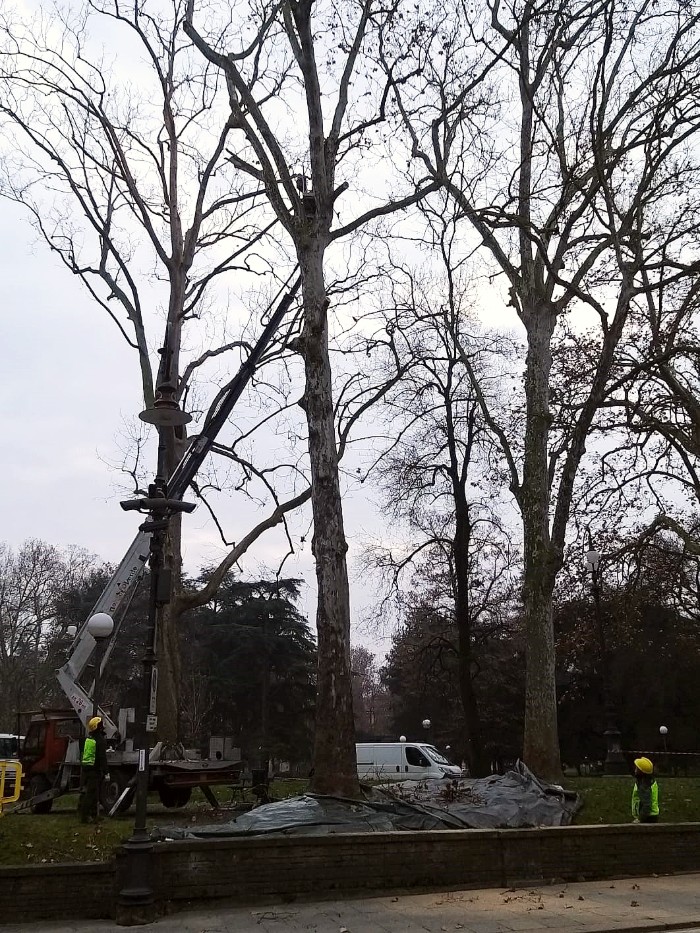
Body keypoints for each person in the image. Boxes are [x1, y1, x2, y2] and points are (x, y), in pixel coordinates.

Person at [79, 716, 109, 824]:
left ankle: (93, 815)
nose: (103, 726)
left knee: (93, 794)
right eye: (101, 724)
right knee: (91, 794)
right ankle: (85, 817)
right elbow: (102, 757)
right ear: (98, 727)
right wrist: (106, 772)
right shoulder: (99, 740)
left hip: (86, 769)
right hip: (94, 770)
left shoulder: (89, 739)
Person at [631, 756, 660, 824]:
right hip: (651, 815)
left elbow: (647, 804)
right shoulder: (649, 781)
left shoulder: (644, 785)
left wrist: (640, 819)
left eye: (637, 768)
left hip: (647, 817)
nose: (635, 769)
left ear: (641, 771)